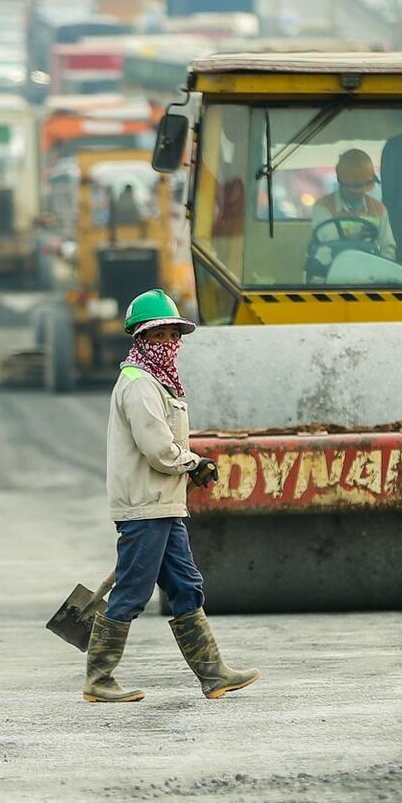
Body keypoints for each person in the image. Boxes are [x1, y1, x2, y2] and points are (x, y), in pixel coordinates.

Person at [88, 289, 259, 704]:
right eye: (159, 335)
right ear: (141, 338)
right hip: (144, 506)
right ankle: (98, 678)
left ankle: (213, 674)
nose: (167, 343)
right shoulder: (138, 384)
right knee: (131, 591)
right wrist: (193, 463)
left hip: (164, 504)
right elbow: (158, 448)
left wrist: (187, 464)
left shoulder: (159, 382)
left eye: (171, 335)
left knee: (185, 586)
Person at [311, 148, 393, 252]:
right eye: (353, 192)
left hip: (370, 265)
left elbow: (388, 247)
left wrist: (384, 265)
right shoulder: (323, 208)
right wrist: (356, 240)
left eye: (362, 191)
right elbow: (329, 248)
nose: (358, 195)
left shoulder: (378, 210)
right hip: (334, 267)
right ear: (341, 184)